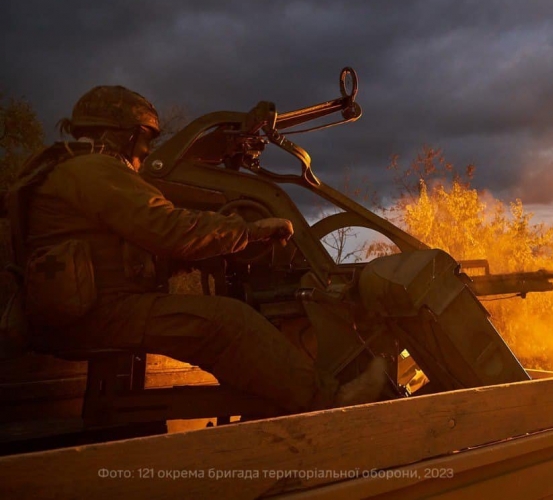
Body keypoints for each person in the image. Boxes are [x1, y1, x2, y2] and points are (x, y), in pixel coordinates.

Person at [7, 85, 385, 414]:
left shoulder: (74, 169)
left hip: (92, 309)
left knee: (225, 320)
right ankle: (332, 403)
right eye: (144, 139)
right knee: (225, 324)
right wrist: (249, 232)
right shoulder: (95, 170)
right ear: (123, 134)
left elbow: (137, 244)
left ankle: (283, 397)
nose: (144, 151)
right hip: (99, 315)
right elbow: (171, 229)